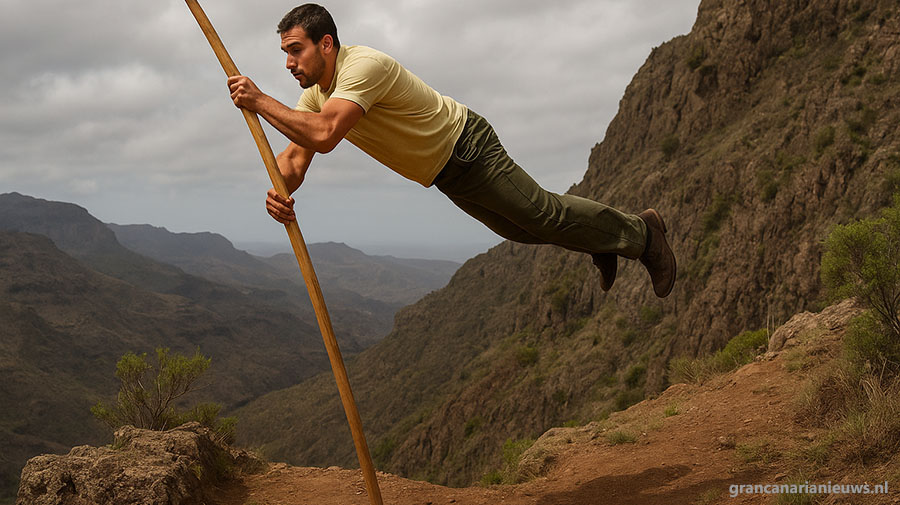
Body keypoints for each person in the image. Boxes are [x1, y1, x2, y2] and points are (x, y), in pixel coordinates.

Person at [227, 4, 676, 297]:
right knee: (521, 228)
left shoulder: (362, 67)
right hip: (446, 173)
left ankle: (642, 234)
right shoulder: (317, 95)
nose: (289, 63)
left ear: (326, 43)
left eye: (295, 50)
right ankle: (600, 237)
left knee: (543, 214)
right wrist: (279, 189)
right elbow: (297, 157)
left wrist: (259, 99)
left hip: (468, 147)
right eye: (285, 53)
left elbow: (324, 135)